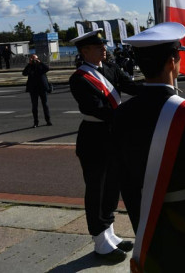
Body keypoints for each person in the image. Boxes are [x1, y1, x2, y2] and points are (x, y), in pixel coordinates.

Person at [114, 22, 185, 273]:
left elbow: (126, 181)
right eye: (178, 56)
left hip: (149, 226)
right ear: (171, 62)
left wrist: (141, 225)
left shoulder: (122, 113)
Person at [69, 29, 141, 262]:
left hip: (113, 137)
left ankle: (109, 234)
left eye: (103, 46)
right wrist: (129, 116)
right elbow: (96, 109)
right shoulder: (79, 78)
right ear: (85, 51)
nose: (104, 49)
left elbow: (129, 85)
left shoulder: (109, 68)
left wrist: (156, 90)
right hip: (94, 139)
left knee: (112, 187)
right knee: (97, 190)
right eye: (98, 47)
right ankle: (99, 242)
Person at [22, 54, 52, 127]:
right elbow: (24, 73)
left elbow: (47, 68)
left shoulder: (41, 65)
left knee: (45, 104)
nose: (34, 60)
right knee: (34, 106)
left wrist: (40, 62)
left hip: (42, 87)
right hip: (33, 88)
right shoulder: (30, 66)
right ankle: (36, 122)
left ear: (38, 59)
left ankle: (48, 120)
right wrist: (29, 64)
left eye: (35, 59)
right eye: (32, 59)